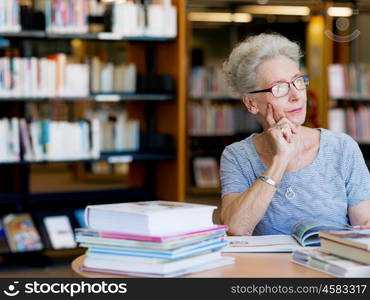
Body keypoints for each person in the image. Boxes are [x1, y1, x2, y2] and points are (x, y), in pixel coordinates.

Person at [220, 33, 370, 236]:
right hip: (268, 269)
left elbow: (364, 227)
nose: (296, 95)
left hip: (328, 266)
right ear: (251, 103)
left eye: (298, 81)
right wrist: (279, 160)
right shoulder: (237, 156)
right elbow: (236, 228)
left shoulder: (342, 148)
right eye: (279, 88)